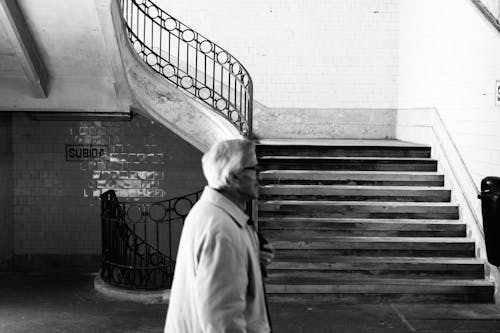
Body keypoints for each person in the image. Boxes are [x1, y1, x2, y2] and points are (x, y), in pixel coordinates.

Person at [164, 139, 274, 333]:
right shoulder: (222, 231)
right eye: (254, 169)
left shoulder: (211, 213)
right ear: (232, 178)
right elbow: (223, 322)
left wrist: (253, 263)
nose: (260, 176)